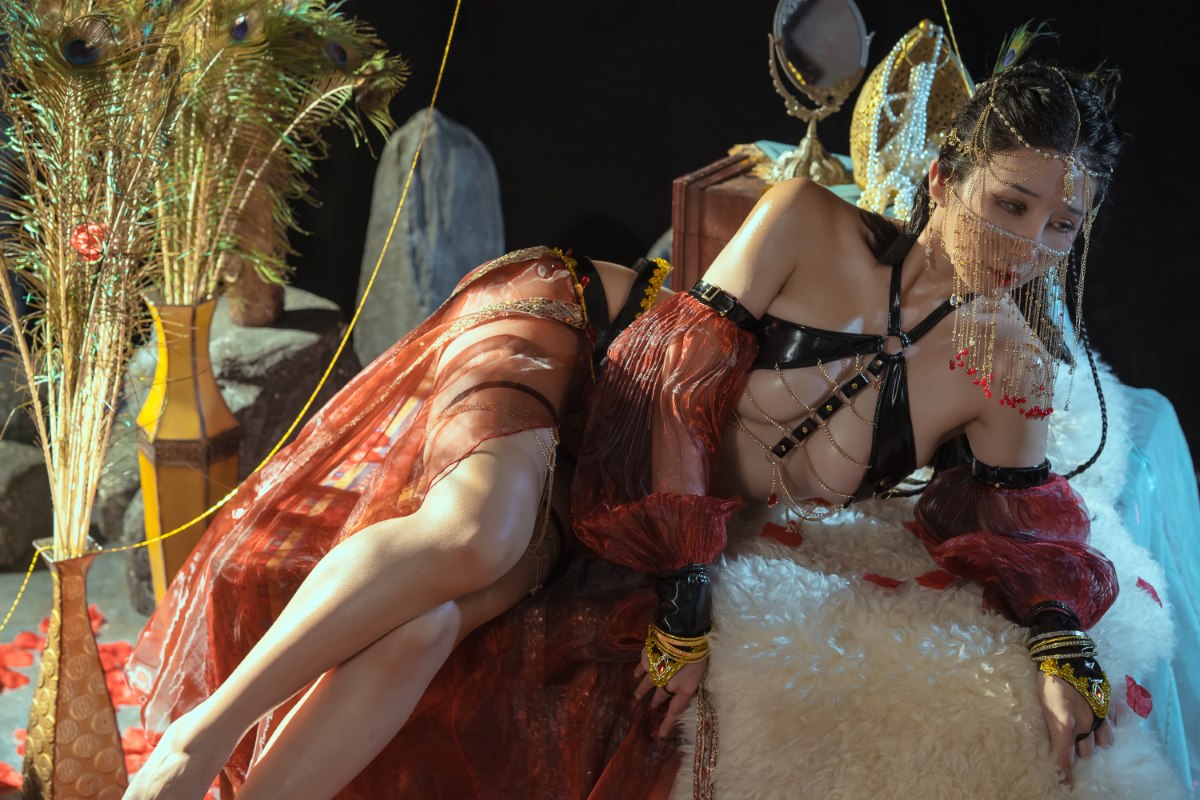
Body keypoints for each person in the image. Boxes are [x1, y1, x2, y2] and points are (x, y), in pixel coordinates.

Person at [570, 57, 1126, 793]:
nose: (1028, 246)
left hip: (641, 517)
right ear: (942, 180)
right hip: (586, 373)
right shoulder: (802, 217)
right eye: (1010, 204)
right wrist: (685, 597)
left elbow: (1022, 533)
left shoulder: (1011, 369)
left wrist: (1062, 649)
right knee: (469, 551)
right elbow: (672, 382)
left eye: (1062, 226)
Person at [122, 246, 673, 799]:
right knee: (478, 536)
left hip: (598, 482)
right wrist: (688, 610)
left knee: (425, 629)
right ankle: (201, 736)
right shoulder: (722, 337)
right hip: (575, 321)